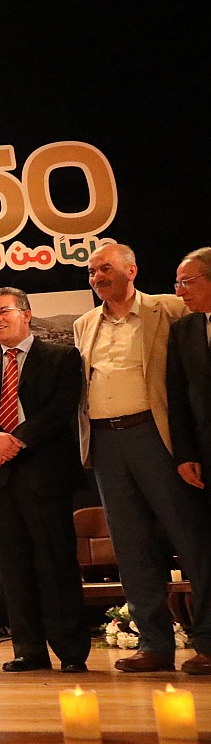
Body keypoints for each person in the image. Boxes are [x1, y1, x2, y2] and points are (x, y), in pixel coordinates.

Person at [76, 243, 211, 673]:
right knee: (131, 547)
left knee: (190, 539)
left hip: (157, 436)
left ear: (131, 270)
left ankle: (208, 641)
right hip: (105, 442)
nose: (97, 277)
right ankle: (153, 644)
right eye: (92, 272)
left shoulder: (168, 308)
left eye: (105, 269)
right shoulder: (84, 324)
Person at [0, 288, 88, 673]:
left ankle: (71, 651)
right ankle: (29, 650)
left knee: (56, 564)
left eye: (3, 312)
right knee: (14, 569)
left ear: (26, 314)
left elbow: (60, 408)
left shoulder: (62, 357)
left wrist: (15, 441)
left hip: (45, 476)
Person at [166, 245, 211, 675]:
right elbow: (177, 400)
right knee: (205, 553)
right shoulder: (184, 330)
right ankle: (209, 644)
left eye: (186, 282)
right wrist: (185, 455)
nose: (179, 292)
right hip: (203, 462)